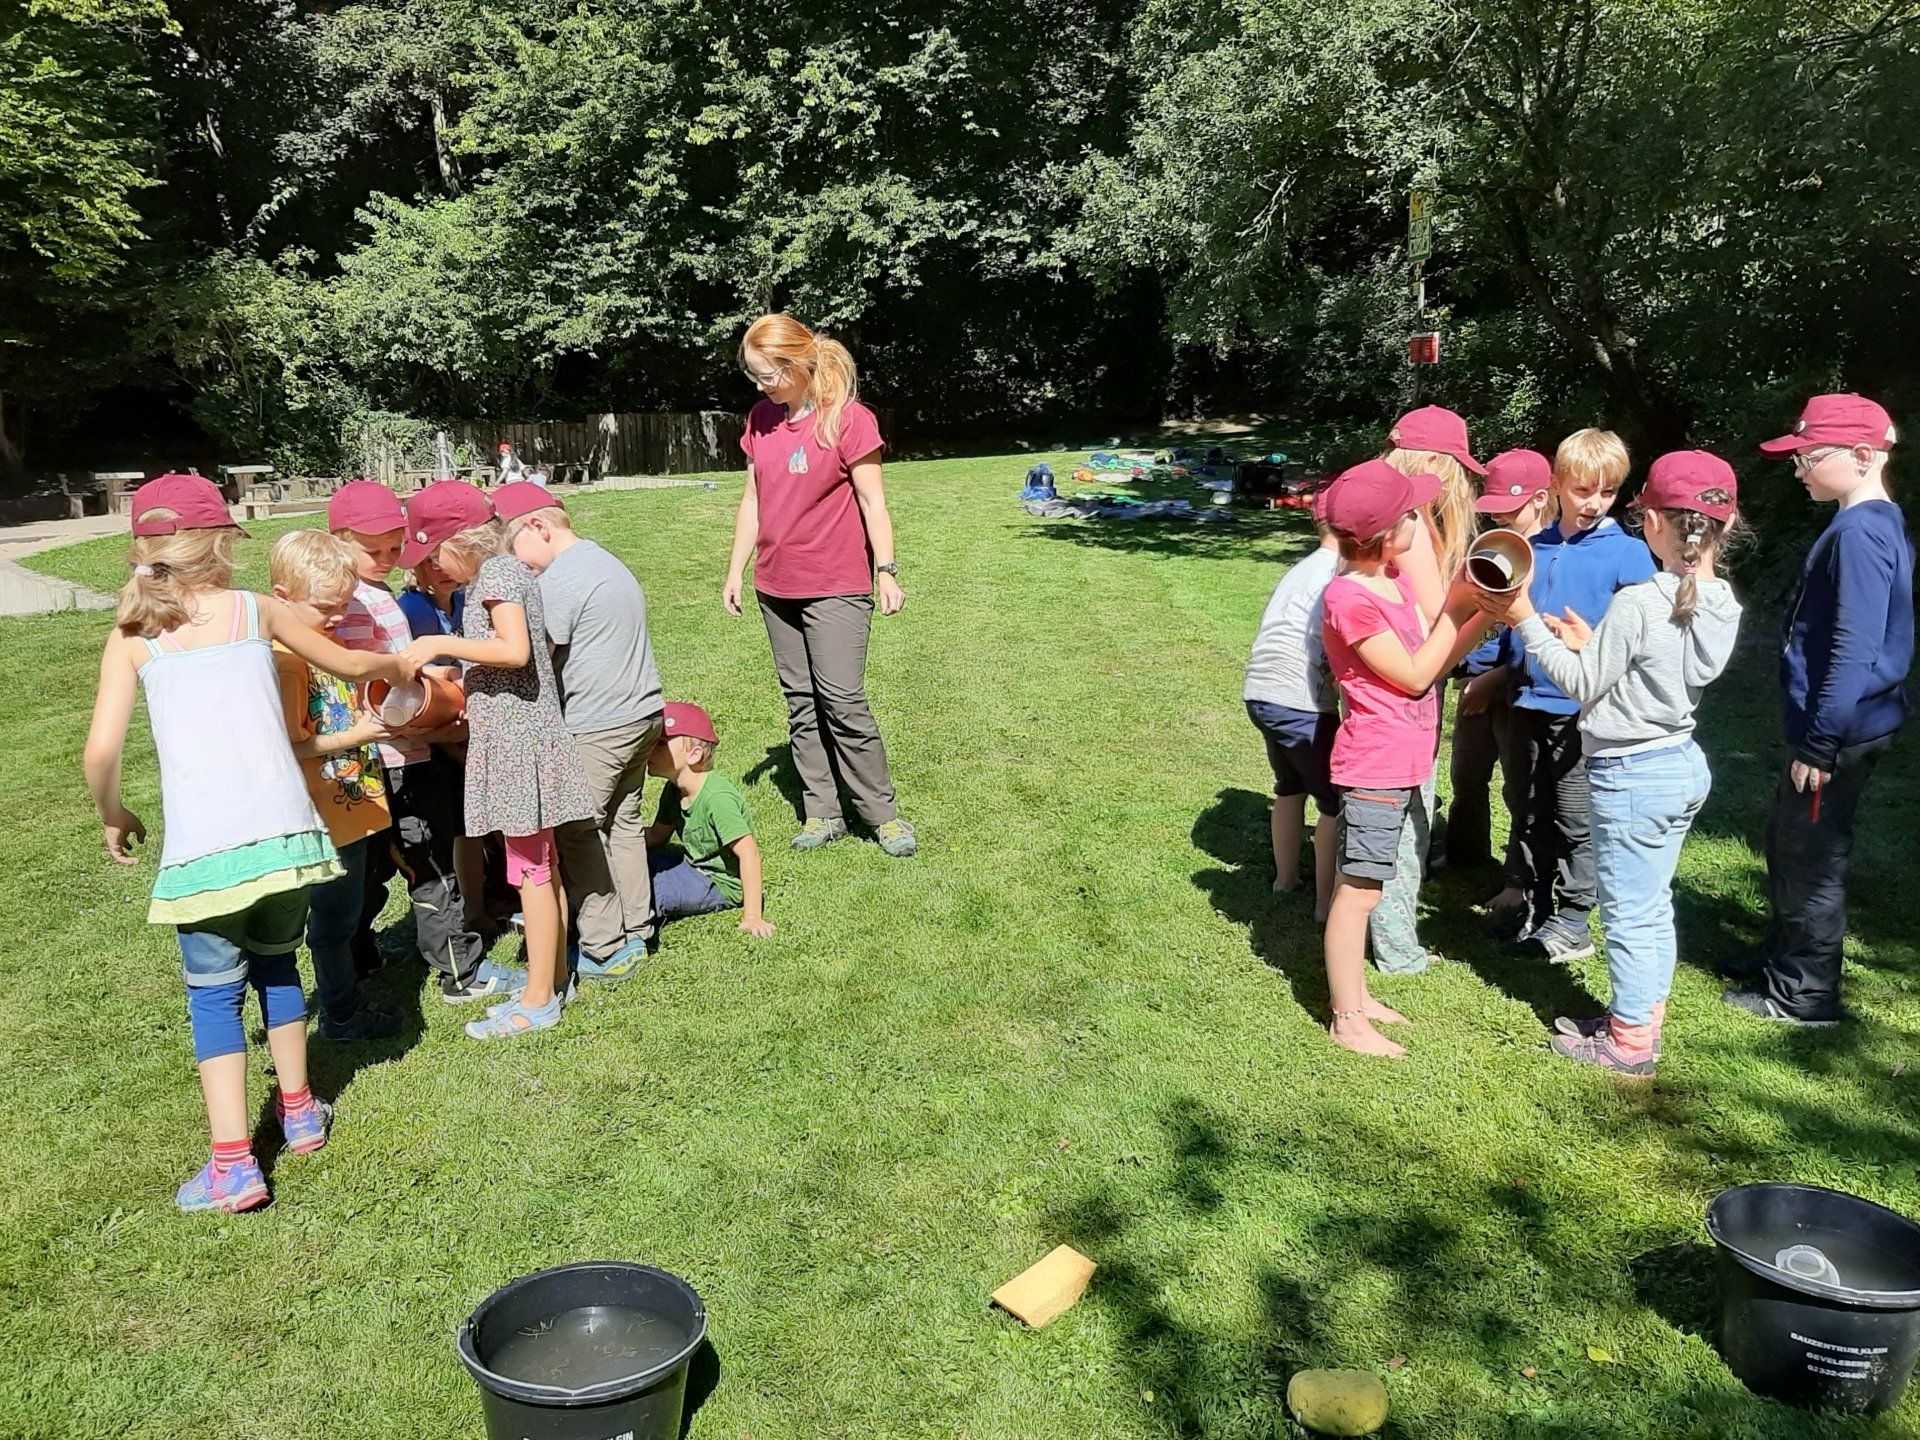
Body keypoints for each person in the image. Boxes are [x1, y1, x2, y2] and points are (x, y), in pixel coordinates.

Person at [81, 474, 414, 1212]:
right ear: (221, 544)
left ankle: (233, 1164)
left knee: (213, 996)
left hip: (208, 853)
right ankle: (300, 1111)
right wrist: (396, 666)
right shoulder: (255, 609)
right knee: (277, 964)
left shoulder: (132, 639)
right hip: (287, 839)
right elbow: (350, 663)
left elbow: (99, 752)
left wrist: (113, 810)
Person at [1484, 452, 1744, 1074]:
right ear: (1728, 524)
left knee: (1628, 914)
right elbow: (1654, 673)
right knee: (1652, 908)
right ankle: (1640, 1018)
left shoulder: (1640, 603)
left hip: (1632, 775)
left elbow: (1580, 684)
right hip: (1678, 762)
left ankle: (1628, 1045)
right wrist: (1592, 643)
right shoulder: (1721, 602)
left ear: (1649, 520)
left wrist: (1525, 619)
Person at [1724, 395, 1913, 1025]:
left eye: (1809, 456)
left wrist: (1820, 742)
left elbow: (1855, 647)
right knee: (1787, 841)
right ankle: (1780, 958)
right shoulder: (1866, 521)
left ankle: (1805, 995)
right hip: (1836, 725)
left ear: (1861, 455)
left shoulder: (1860, 533)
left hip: (1840, 730)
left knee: (1811, 857)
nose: (1799, 468)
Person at [398, 481, 599, 1039]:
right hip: (515, 738)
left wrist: (441, 646)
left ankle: (537, 1001)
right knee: (540, 867)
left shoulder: (497, 575)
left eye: (433, 555)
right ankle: (552, 980)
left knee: (530, 871)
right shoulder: (501, 573)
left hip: (517, 746)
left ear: (460, 542)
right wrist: (462, 677)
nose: (431, 569)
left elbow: (514, 650)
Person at [723, 312, 916, 858]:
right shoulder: (761, 418)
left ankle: (882, 815)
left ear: (799, 364)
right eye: (754, 375)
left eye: (768, 374)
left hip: (836, 584)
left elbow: (873, 502)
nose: (760, 386)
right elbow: (753, 499)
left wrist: (886, 569)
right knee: (801, 702)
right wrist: (735, 570)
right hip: (775, 586)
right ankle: (823, 813)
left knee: (842, 699)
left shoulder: (849, 420)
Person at [1317, 460, 1490, 1058]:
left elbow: (1437, 657)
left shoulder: (1393, 580)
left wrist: (1486, 611)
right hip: (1374, 765)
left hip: (1403, 761)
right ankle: (1346, 1018)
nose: (1421, 520)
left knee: (1369, 883)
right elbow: (1415, 676)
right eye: (1412, 513)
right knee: (1358, 891)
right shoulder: (1349, 598)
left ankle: (1360, 998)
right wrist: (1460, 610)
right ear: (1388, 533)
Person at [329, 479, 494, 1000]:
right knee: (430, 867)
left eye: (394, 548)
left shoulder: (374, 594)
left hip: (396, 748)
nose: (385, 560)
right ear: (338, 542)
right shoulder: (345, 602)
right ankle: (461, 974)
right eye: (372, 551)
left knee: (382, 865)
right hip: (391, 754)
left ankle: (360, 956)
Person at [1496, 429, 1656, 961]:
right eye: (1583, 490)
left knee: (1575, 818)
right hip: (1525, 701)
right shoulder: (1531, 548)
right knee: (1527, 808)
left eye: (1607, 492)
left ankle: (1572, 919)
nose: (1594, 503)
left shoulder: (1629, 556)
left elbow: (1641, 641)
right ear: (1557, 484)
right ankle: (1535, 906)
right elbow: (1503, 620)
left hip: (1580, 710)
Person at [495, 482, 665, 981]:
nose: (517, 565)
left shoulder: (561, 581)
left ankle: (604, 946)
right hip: (641, 713)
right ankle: (637, 928)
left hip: (598, 725)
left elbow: (533, 658)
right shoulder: (603, 559)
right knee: (622, 823)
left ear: (538, 527)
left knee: (577, 831)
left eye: (514, 549)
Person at [268, 529, 404, 1043]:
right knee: (330, 924)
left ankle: (352, 979)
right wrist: (356, 736)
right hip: (324, 818)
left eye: (344, 604)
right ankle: (342, 1015)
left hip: (351, 807)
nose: (338, 615)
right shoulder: (288, 661)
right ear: (282, 598)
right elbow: (288, 744)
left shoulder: (328, 644)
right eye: (326, 607)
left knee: (348, 912)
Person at [1368, 405, 1486, 972]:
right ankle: (1395, 947)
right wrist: (1493, 609)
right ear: (1434, 464)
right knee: (1403, 818)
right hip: (1403, 694)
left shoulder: (1395, 517)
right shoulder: (1411, 526)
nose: (1462, 483)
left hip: (1396, 689)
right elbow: (1439, 625)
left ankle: (1376, 930)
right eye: (1457, 468)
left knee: (1393, 815)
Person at [1448, 450, 1555, 874]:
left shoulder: (1552, 555)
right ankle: (1463, 857)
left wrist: (1493, 678)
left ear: (1540, 499)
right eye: (1491, 507)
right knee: (1466, 775)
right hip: (1476, 680)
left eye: (1508, 507)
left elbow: (1543, 637)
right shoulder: (1490, 547)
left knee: (1519, 785)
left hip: (1515, 688)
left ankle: (1517, 877)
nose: (1497, 517)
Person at [1243, 487, 1341, 919]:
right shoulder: (1338, 575)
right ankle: (1325, 903)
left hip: (1261, 694)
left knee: (1289, 787)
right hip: (1301, 703)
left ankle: (1285, 880)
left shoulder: (1301, 569)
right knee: (1334, 802)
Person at [643, 702, 775, 936]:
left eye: (660, 743)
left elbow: (749, 854)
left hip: (718, 882)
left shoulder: (717, 798)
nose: (649, 749)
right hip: (690, 865)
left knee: (649, 889)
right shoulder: (673, 789)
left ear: (694, 754)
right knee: (632, 862)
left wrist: (752, 915)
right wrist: (612, 839)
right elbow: (656, 835)